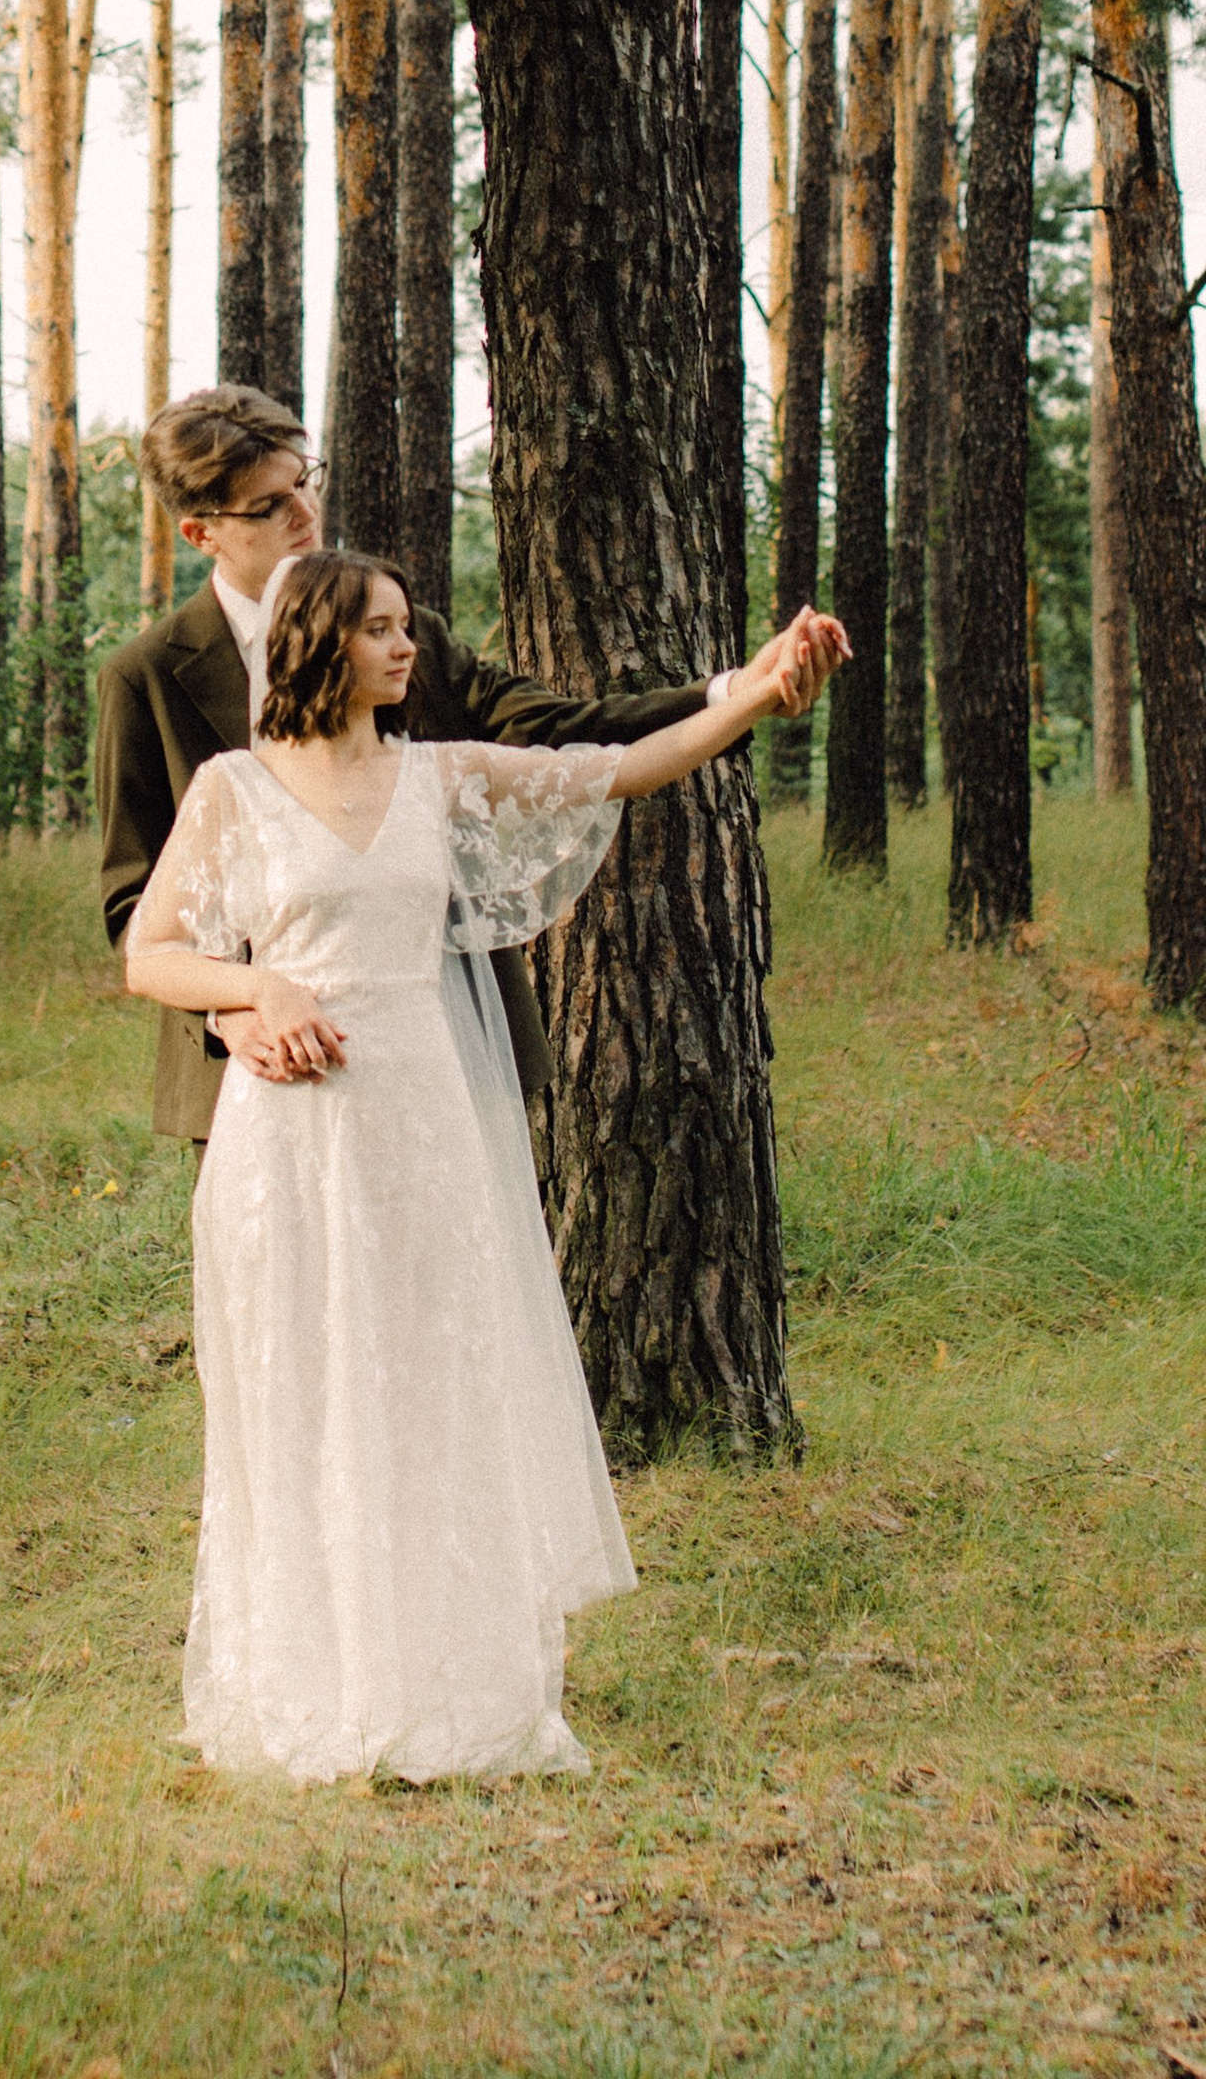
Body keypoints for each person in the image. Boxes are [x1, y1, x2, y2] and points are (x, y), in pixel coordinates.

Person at [123, 547, 818, 1782]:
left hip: (422, 1121)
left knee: (435, 1378)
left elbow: (613, 766)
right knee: (306, 1384)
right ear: (320, 642)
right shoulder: (233, 788)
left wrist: (756, 693)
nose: (408, 649)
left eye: (406, 629)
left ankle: (447, 1680)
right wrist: (256, 985)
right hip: (286, 1134)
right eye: (383, 630)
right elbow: (153, 951)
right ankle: (311, 1685)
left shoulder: (437, 778)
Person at [95, 386, 846, 1139]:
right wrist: (236, 1006)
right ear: (202, 532)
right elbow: (139, 907)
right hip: (259, 1074)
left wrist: (737, 691)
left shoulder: (397, 633)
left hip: (440, 1043)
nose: (304, 513)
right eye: (269, 505)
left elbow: (557, 734)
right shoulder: (149, 675)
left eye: (305, 481)